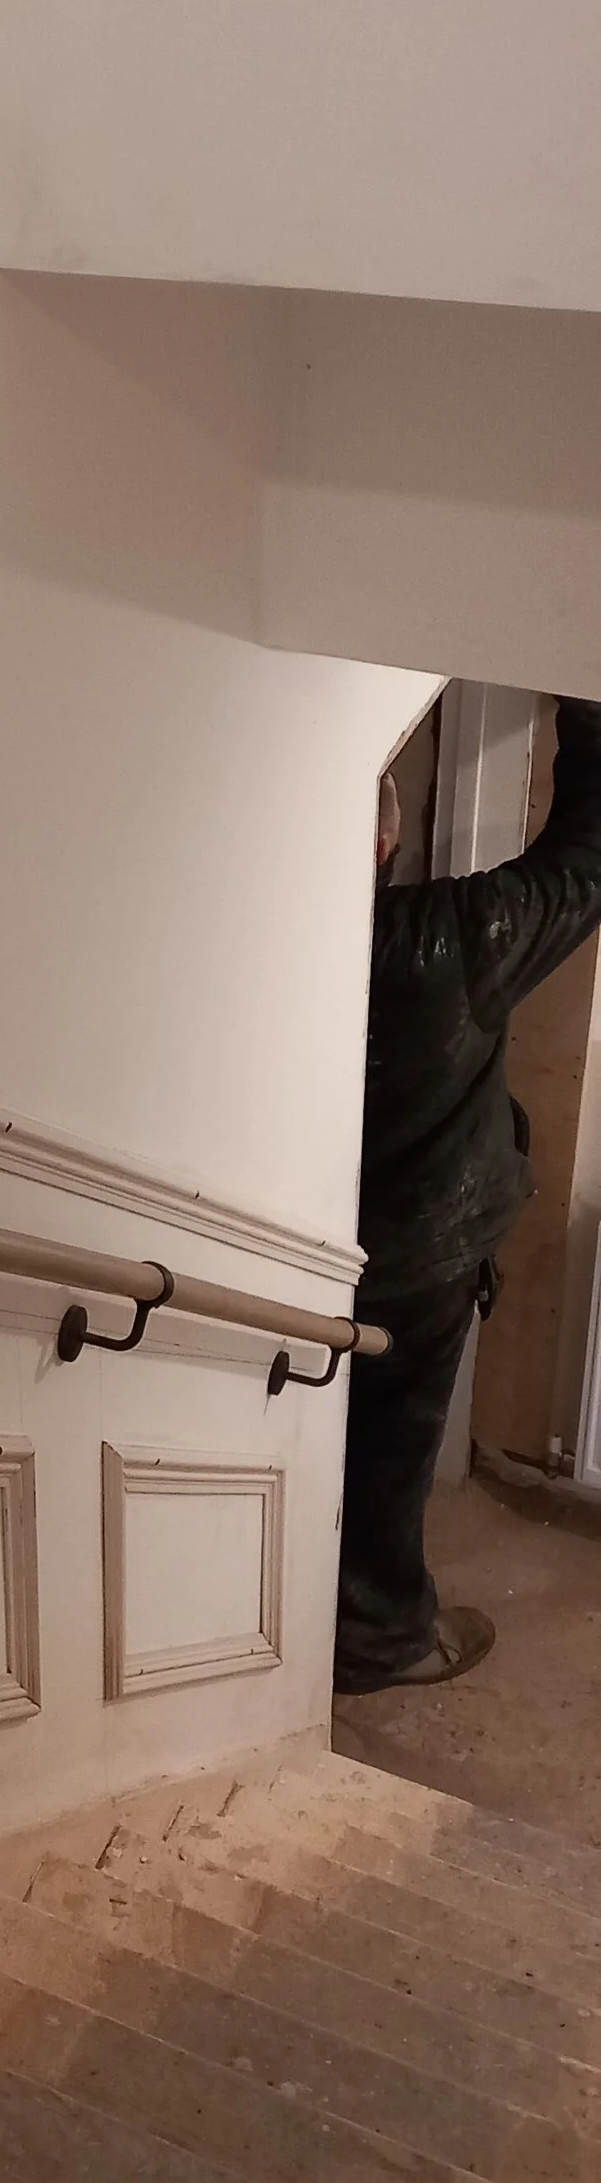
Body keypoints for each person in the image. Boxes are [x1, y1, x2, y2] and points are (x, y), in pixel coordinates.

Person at [340, 695, 601, 1691]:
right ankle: (382, 1640)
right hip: (417, 1261)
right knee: (391, 1450)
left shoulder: (211, 955)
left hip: (270, 1256)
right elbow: (585, 860)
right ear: (385, 834)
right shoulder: (447, 940)